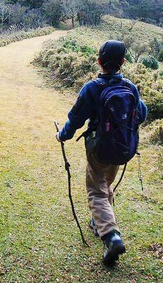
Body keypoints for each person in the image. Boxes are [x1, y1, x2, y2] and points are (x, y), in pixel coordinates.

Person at [55, 40, 148, 266]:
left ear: (99, 61)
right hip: (123, 149)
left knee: (96, 190)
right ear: (123, 63)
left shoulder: (92, 88)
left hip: (99, 150)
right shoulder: (131, 87)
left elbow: (76, 119)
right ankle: (99, 224)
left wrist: (62, 135)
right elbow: (142, 115)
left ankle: (112, 236)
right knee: (106, 184)